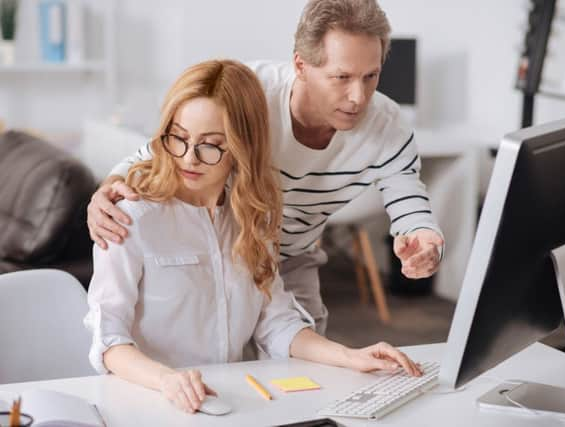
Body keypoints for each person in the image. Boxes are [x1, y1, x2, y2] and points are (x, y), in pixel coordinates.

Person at [84, 59, 423, 414]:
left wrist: (350, 356)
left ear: (242, 146)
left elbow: (276, 323)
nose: (190, 158)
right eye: (179, 138)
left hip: (226, 403)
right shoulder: (129, 217)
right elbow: (108, 340)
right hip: (145, 403)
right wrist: (167, 379)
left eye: (211, 145)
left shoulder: (252, 219)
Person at [86, 0, 444, 335]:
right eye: (342, 77)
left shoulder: (388, 127)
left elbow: (407, 195)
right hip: (225, 247)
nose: (358, 97)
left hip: (292, 255)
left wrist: (425, 238)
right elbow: (168, 147)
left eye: (371, 76)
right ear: (301, 66)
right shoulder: (250, 92)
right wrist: (109, 187)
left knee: (307, 353)